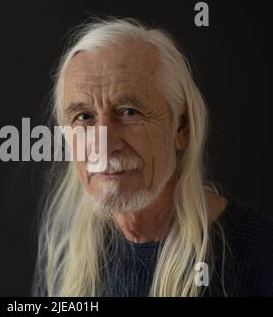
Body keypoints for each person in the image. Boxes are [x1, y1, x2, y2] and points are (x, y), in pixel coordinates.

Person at [32, 18, 273, 296]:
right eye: (84, 117)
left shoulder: (260, 255)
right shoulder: (64, 248)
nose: (103, 147)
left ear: (181, 127)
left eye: (128, 112)